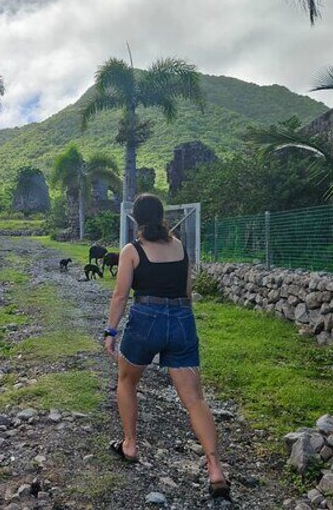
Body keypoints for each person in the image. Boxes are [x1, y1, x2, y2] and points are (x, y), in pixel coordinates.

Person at [103, 193, 230, 500]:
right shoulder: (180, 247)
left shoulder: (132, 250)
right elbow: (188, 290)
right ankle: (215, 469)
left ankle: (130, 445)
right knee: (194, 399)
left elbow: (120, 296)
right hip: (182, 320)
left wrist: (111, 330)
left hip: (146, 319)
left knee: (127, 381)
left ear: (136, 219)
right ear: (161, 217)